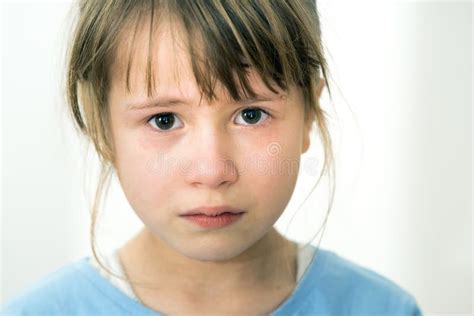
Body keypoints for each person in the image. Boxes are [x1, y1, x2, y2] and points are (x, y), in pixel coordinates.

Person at [2, 0, 422, 315]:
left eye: (251, 115)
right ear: (102, 128)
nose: (211, 171)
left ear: (309, 113)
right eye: (164, 120)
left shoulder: (381, 309)